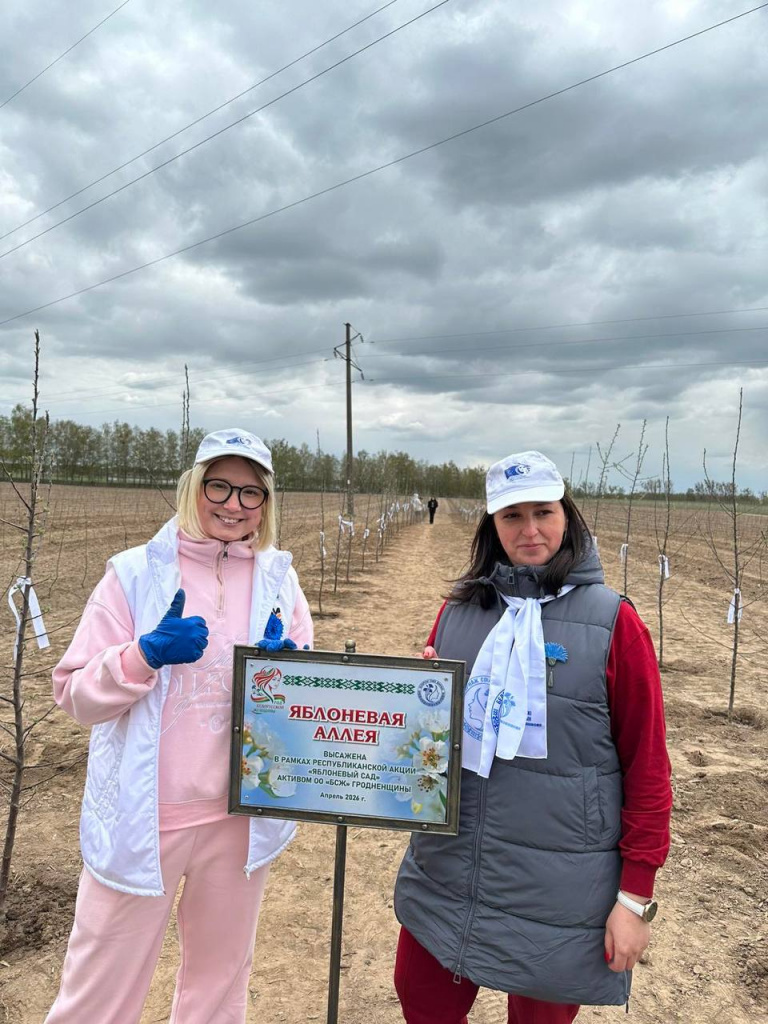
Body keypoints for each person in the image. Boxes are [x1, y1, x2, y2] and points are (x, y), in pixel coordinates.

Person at [45, 428, 313, 1024]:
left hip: (238, 817)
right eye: (219, 485)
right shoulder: (133, 575)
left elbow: (300, 705)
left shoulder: (279, 581)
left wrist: (285, 671)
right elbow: (73, 693)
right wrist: (141, 655)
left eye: (251, 493)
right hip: (147, 818)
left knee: (219, 987)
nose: (233, 504)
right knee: (100, 988)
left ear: (266, 504)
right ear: (193, 486)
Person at [394, 450, 671, 1024]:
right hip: (451, 867)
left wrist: (634, 897)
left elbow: (648, 767)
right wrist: (419, 699)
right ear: (491, 527)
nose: (530, 530)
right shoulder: (457, 613)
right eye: (511, 517)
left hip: (560, 886)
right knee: (422, 998)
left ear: (566, 514)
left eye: (543, 512)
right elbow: (425, 745)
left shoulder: (615, 623)